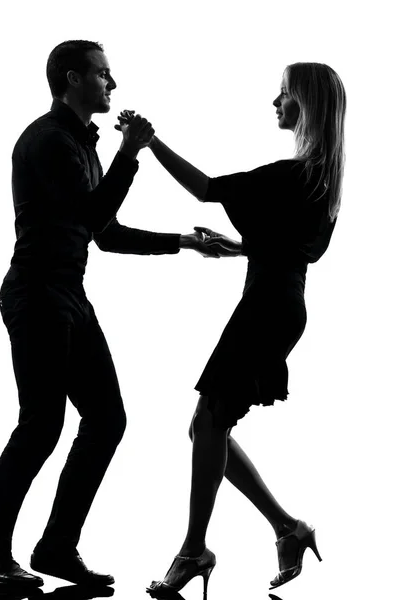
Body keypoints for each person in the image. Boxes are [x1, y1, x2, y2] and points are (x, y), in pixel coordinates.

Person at [0, 39, 239, 589]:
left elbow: (106, 236)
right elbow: (93, 217)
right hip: (36, 293)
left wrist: (184, 241)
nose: (112, 85)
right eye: (103, 75)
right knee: (41, 424)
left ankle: (55, 548)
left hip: (67, 294)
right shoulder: (47, 141)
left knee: (107, 418)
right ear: (72, 79)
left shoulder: (81, 147)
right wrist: (131, 153)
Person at [134, 62, 346, 597]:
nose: (274, 103)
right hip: (281, 303)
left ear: (306, 103)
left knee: (208, 421)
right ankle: (286, 527)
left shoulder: (294, 172)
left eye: (283, 95)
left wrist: (150, 142)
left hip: (266, 306)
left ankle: (194, 549)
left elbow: (206, 188)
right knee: (207, 426)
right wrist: (235, 247)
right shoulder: (322, 181)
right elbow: (302, 251)